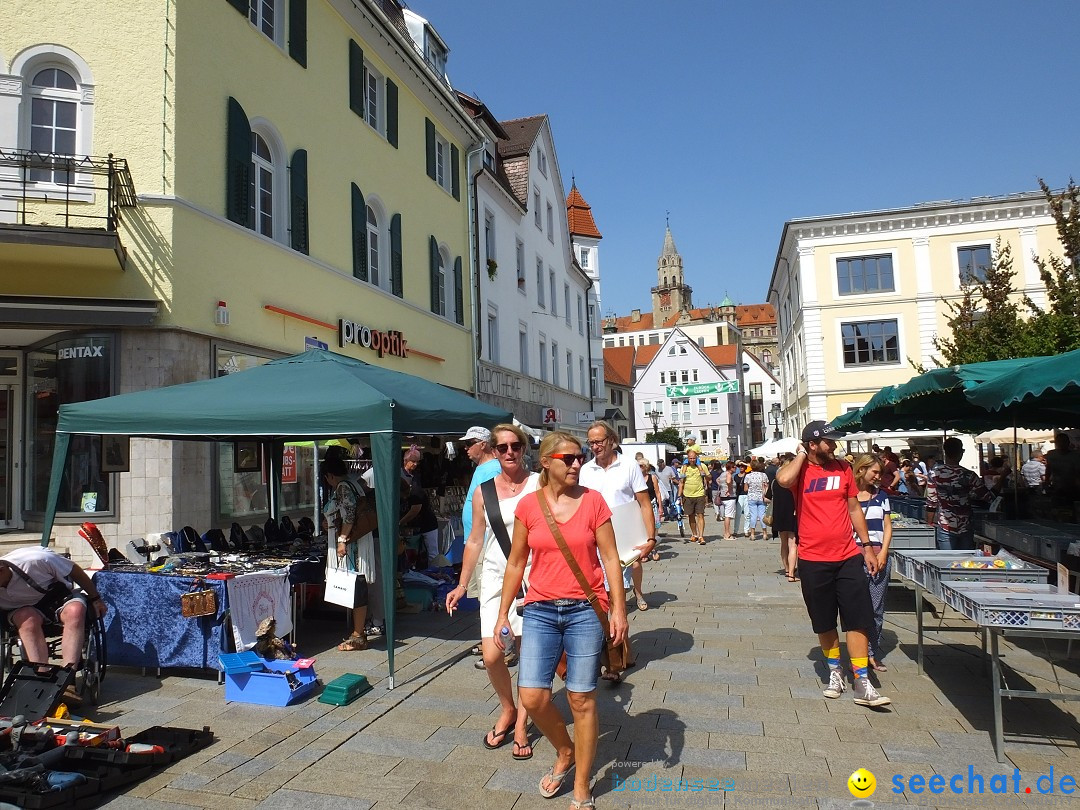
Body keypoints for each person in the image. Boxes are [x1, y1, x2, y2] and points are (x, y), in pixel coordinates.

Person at [495, 432, 627, 809]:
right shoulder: (529, 507)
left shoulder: (593, 502)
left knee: (581, 699)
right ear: (546, 462)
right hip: (539, 609)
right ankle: (565, 750)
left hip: (585, 609)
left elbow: (611, 558)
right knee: (533, 697)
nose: (576, 463)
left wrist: (618, 609)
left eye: (579, 457)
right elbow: (517, 562)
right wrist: (503, 612)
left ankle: (582, 785)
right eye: (568, 457)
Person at [776, 421, 890, 708]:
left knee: (858, 618)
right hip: (813, 559)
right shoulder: (800, 470)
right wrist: (802, 454)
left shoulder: (843, 469)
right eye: (829, 441)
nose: (835, 445)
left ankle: (862, 680)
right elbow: (783, 481)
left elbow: (854, 509)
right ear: (813, 444)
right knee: (824, 621)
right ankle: (835, 672)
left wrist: (867, 547)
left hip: (848, 555)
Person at [446, 425, 538, 759]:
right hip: (496, 576)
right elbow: (474, 540)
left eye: (516, 445)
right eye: (502, 448)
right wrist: (460, 583)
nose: (510, 452)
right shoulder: (484, 490)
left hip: (534, 575)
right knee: (492, 655)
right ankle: (508, 707)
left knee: (530, 656)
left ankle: (523, 724)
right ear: (494, 452)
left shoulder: (540, 484)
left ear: (524, 448)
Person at [0, 547, 107, 704]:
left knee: (75, 611)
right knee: (27, 619)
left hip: (54, 597)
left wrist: (95, 598)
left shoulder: (36, 560)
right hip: (20, 609)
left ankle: (67, 679)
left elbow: (74, 570)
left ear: (2, 570)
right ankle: (42, 678)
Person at [579, 421, 656, 616]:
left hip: (623, 537)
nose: (595, 446)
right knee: (599, 590)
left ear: (611, 440)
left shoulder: (628, 465)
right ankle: (608, 633)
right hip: (593, 537)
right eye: (591, 443)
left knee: (615, 591)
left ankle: (616, 636)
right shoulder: (586, 469)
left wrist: (651, 538)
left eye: (599, 441)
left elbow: (644, 503)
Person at [324, 457, 378, 651]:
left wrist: (342, 540)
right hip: (356, 541)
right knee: (357, 585)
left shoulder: (343, 487)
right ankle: (358, 631)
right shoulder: (355, 483)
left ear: (330, 475)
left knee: (355, 585)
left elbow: (348, 514)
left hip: (352, 544)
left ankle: (358, 634)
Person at [852, 454, 892, 673]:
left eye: (880, 472)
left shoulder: (881, 496)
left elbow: (888, 527)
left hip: (878, 556)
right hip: (854, 558)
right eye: (874, 472)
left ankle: (871, 652)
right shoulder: (849, 498)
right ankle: (857, 654)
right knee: (856, 609)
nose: (878, 477)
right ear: (861, 469)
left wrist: (884, 552)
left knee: (876, 608)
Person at [925, 437, 994, 550]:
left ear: (945, 452)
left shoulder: (934, 474)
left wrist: (929, 523)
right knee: (965, 564)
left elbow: (931, 502)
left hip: (945, 525)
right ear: (961, 453)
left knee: (948, 564)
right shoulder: (969, 475)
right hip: (965, 525)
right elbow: (987, 497)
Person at [770, 453, 798, 581]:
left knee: (783, 543)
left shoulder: (776, 481)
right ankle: (792, 573)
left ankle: (786, 569)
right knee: (793, 544)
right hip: (793, 513)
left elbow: (767, 497)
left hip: (779, 514)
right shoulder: (795, 480)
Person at [677, 448, 709, 545]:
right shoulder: (684, 467)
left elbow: (709, 477)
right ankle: (694, 534)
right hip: (687, 495)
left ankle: (701, 536)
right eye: (690, 458)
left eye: (694, 458)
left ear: (697, 458)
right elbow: (681, 483)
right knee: (690, 516)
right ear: (688, 458)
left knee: (700, 515)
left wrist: (704, 473)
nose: (692, 460)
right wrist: (679, 496)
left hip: (699, 494)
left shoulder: (702, 466)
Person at [1045, 433, 1080, 522]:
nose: (1061, 444)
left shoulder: (1075, 456)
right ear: (1056, 443)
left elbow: (1077, 473)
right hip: (1057, 487)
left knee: (1071, 509)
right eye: (1059, 442)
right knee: (1057, 510)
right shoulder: (1051, 454)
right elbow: (1048, 469)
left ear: (1068, 443)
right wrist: (1046, 482)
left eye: (1064, 441)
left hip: (1072, 487)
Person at [637, 460, 662, 561]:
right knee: (642, 529)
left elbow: (658, 493)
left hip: (652, 505)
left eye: (641, 465)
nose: (639, 467)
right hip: (640, 506)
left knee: (654, 528)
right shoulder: (636, 478)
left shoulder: (652, 477)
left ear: (646, 467)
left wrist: (660, 507)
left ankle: (654, 549)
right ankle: (645, 552)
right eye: (637, 465)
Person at [743, 459, 770, 541]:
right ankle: (765, 534)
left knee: (753, 515)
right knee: (762, 515)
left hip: (752, 497)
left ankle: (752, 534)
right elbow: (767, 486)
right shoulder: (763, 475)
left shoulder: (748, 476)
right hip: (761, 497)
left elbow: (745, 489)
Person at [716, 461, 737, 539]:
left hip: (723, 496)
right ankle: (727, 533)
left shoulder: (723, 474)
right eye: (734, 467)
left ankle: (727, 532)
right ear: (730, 467)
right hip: (729, 497)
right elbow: (728, 481)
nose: (736, 468)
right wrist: (729, 489)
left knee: (727, 515)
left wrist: (722, 487)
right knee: (728, 516)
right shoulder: (728, 474)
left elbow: (718, 480)